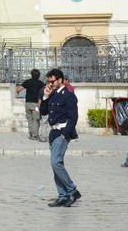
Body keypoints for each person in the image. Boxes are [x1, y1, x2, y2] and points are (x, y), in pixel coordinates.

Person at [39, 68, 81, 207]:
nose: (50, 84)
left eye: (52, 81)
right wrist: (45, 97)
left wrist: (65, 135)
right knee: (57, 165)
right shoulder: (51, 94)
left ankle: (72, 190)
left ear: (60, 80)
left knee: (55, 162)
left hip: (62, 132)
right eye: (48, 81)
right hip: (53, 132)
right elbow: (44, 112)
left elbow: (73, 117)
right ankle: (63, 196)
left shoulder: (68, 95)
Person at [16, 69, 45, 141]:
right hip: (36, 104)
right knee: (36, 119)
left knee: (29, 119)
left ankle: (31, 134)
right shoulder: (41, 83)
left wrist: (18, 92)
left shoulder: (27, 82)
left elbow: (18, 89)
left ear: (31, 75)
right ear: (39, 75)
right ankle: (35, 135)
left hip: (28, 103)